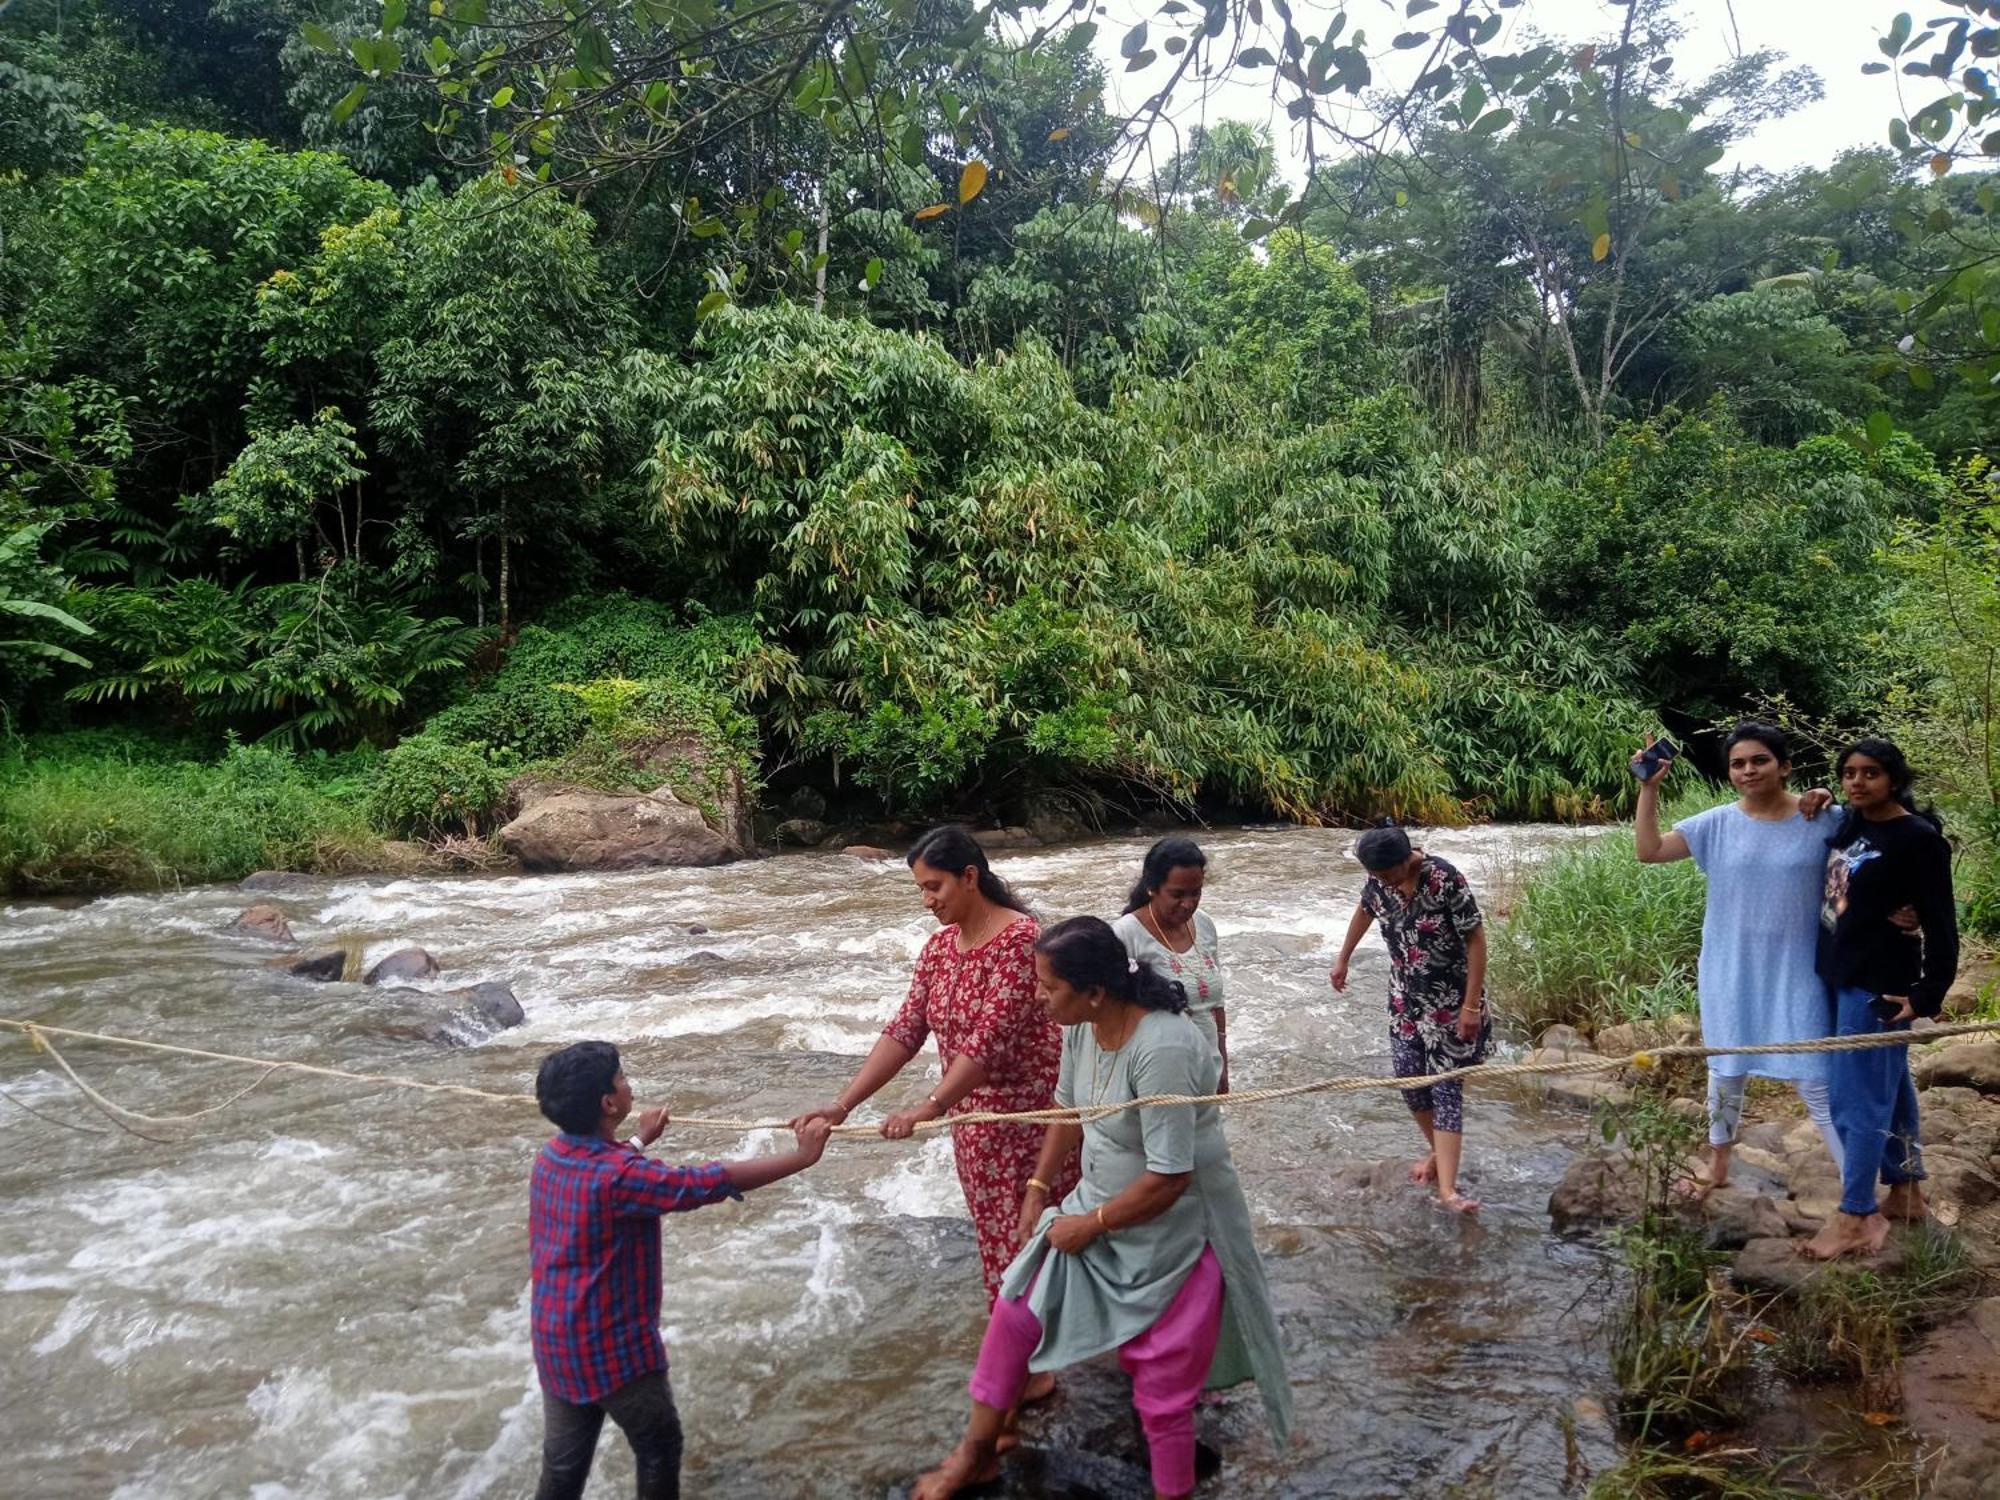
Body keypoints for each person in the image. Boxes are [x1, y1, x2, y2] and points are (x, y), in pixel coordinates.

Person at [912, 917, 1291, 1500]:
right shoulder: (1082, 1026)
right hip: (1096, 1204)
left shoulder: (1162, 1046)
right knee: (1014, 1312)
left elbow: (1170, 1176)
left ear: (1093, 991)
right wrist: (1038, 1193)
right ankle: (977, 1454)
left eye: (1046, 987)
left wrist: (1090, 1225)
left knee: (1160, 1385)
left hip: (1176, 1227)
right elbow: (1067, 1112)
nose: (1038, 998)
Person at [792, 825, 1076, 1318]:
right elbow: (904, 1030)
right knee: (1000, 1248)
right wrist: (842, 1105)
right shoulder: (940, 949)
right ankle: (1030, 1364)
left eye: (933, 886)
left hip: (1031, 1128)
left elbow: (990, 1041)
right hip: (975, 1134)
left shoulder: (1021, 941)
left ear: (970, 877)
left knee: (1035, 1244)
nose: (926, 901)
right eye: (921, 889)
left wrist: (929, 1106)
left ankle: (1039, 1362)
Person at [528, 1040, 830, 1500]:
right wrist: (802, 1158)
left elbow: (608, 1168)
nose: (628, 1084)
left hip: (557, 1344)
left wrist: (639, 1140)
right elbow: (703, 1183)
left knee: (563, 1468)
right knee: (658, 1446)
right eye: (621, 1079)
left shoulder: (552, 1156)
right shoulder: (621, 1178)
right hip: (615, 1353)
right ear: (609, 1104)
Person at [1633, 722, 1846, 1188]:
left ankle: (1858, 1194)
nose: (1748, 770)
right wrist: (1648, 789)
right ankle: (1720, 1167)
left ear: (1785, 766)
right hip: (1730, 968)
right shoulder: (1715, 824)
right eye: (1738, 763)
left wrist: (1827, 790)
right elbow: (1648, 851)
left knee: (1815, 1078)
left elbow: (1875, 849)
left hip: (1799, 969)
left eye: (1759, 760)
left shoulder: (1824, 819)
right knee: (1726, 1071)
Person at [1807, 737, 1959, 1261]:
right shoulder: (1852, 822)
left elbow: (1941, 922)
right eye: (1848, 773)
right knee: (1890, 1090)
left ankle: (1854, 1213)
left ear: (1893, 778)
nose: (1857, 782)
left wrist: (1927, 994)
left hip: (1881, 984)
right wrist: (1822, 794)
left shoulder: (1917, 838)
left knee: (1856, 1099)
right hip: (1841, 973)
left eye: (1869, 773)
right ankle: (1907, 1190)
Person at [1328, 822, 1489, 1214]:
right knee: (1410, 1081)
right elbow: (1364, 910)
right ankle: (1439, 1153)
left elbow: (1476, 941)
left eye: (1385, 874)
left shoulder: (1444, 879)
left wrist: (1470, 1007)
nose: (1380, 881)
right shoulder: (1379, 881)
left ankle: (1449, 1191)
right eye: (1374, 876)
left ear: (1407, 860)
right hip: (1404, 998)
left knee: (1445, 1087)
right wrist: (1343, 958)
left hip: (1450, 999)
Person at [1113, 836, 1230, 1090]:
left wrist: (1223, 1062)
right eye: (1177, 895)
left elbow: (1217, 1006)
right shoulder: (1126, 934)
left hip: (1207, 1069)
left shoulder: (1204, 924)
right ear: (1152, 887)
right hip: (1157, 1076)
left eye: (1196, 892)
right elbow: (1112, 1013)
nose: (1188, 904)